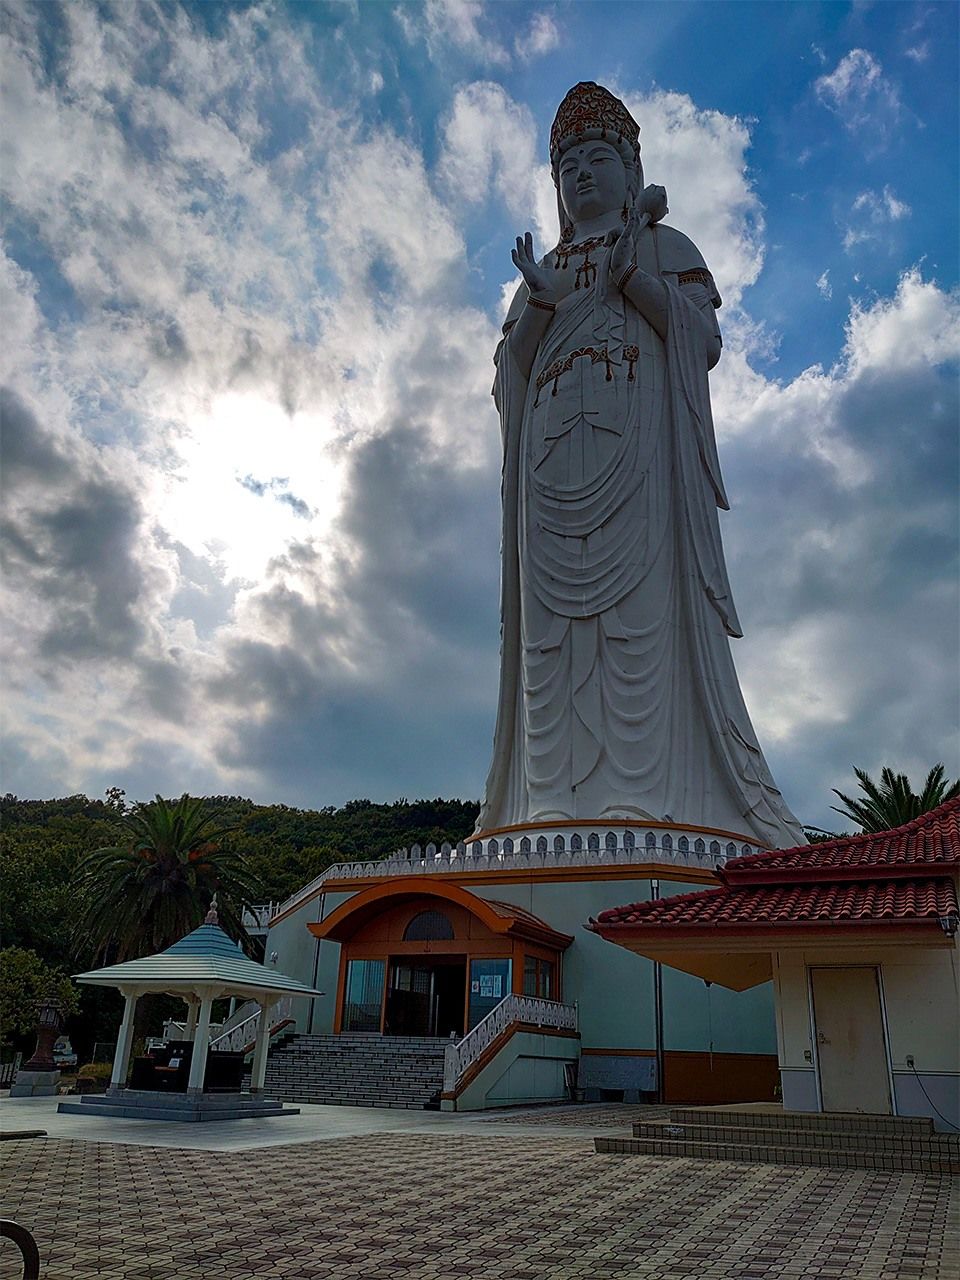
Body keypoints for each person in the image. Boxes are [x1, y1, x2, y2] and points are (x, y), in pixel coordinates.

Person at [476, 82, 804, 848]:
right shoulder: (547, 267)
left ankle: (643, 795)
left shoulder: (661, 244)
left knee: (639, 616)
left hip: (640, 455)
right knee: (550, 638)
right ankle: (550, 800)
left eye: (597, 158)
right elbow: (509, 374)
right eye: (567, 168)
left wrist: (628, 277)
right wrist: (542, 304)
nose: (582, 176)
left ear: (631, 170)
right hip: (549, 469)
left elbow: (704, 341)